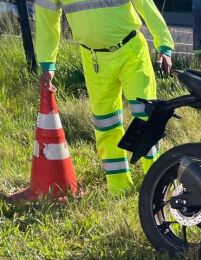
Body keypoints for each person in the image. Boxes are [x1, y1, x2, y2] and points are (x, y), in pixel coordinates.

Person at [34, 0, 174, 196]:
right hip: (93, 60)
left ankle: (157, 182)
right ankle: (119, 187)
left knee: (145, 116)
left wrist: (164, 45)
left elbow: (145, 5)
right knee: (106, 124)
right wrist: (47, 64)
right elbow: (47, 21)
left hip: (131, 51)